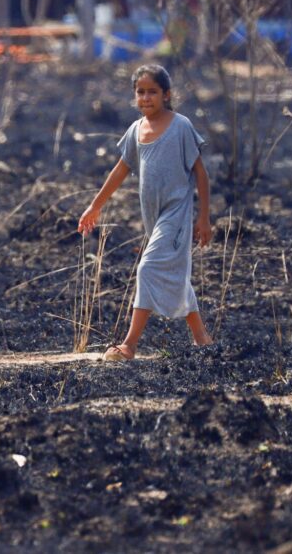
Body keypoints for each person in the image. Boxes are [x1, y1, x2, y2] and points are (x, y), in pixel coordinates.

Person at [77, 64, 213, 361]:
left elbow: (201, 174)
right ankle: (202, 338)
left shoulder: (181, 126)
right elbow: (120, 170)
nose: (146, 98)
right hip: (153, 217)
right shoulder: (136, 131)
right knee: (176, 274)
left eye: (153, 92)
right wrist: (95, 205)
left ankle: (129, 345)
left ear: (166, 94)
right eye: (141, 92)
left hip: (176, 213)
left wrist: (203, 218)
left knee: (148, 268)